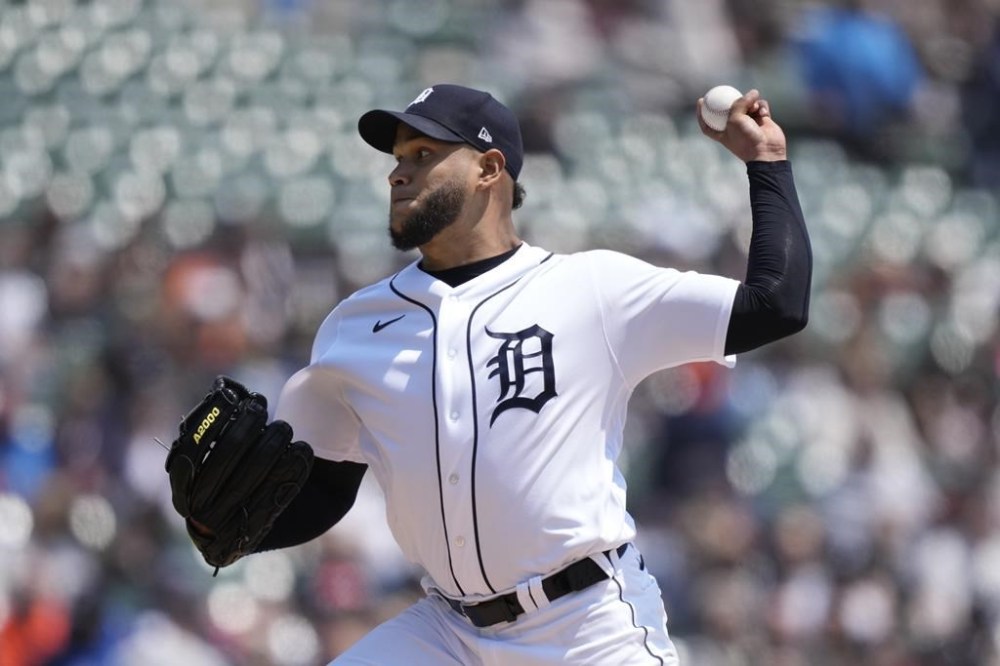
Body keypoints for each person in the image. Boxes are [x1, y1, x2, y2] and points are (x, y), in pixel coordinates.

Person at [260, 83, 811, 665]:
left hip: (586, 627)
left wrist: (766, 163)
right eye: (398, 159)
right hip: (446, 633)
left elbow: (776, 304)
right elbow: (322, 494)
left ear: (489, 168)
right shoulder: (355, 325)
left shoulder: (590, 289)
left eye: (424, 155)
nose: (399, 174)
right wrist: (217, 526)